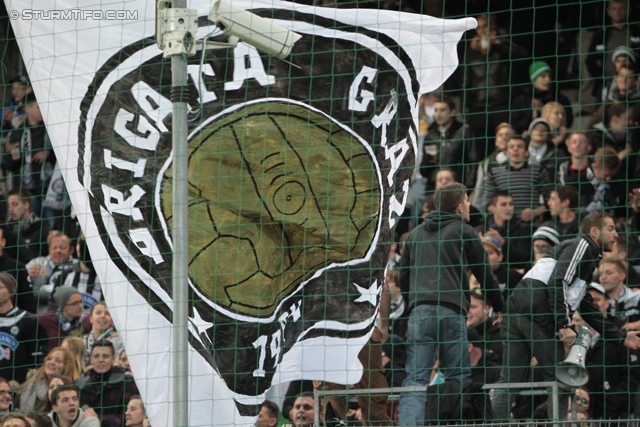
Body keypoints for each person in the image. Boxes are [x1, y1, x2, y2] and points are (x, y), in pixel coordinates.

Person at [491, 212, 640, 421]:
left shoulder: (584, 257)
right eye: (611, 228)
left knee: (509, 381)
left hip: (517, 312)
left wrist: (620, 336)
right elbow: (559, 281)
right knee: (564, 380)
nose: (616, 234)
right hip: (538, 316)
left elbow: (586, 306)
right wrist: (563, 324)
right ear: (594, 232)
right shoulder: (582, 245)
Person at [398, 183, 505, 426]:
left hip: (420, 312)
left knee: (415, 378)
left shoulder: (414, 234)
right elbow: (484, 273)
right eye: (467, 201)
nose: (469, 205)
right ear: (459, 207)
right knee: (457, 377)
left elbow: (404, 276)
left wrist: (414, 303)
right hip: (452, 310)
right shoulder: (464, 230)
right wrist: (498, 306)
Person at [4, 94, 56, 217]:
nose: (43, 110)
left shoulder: (51, 131)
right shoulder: (18, 132)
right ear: (28, 109)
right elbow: (9, 166)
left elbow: (64, 158)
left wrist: (49, 153)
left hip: (51, 189)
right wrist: (12, 154)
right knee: (30, 226)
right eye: (39, 107)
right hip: (28, 192)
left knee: (52, 224)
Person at [485, 136, 551, 222]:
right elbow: (488, 204)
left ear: (527, 152)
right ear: (506, 153)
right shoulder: (494, 173)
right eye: (511, 147)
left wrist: (535, 212)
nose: (515, 149)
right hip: (503, 227)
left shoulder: (538, 171)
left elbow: (549, 202)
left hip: (530, 225)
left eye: (519, 146)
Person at [76, 340, 139, 427]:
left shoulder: (127, 382)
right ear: (91, 359)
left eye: (105, 356)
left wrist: (99, 417)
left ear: (113, 359)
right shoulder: (80, 383)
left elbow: (132, 418)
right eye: (96, 356)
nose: (101, 360)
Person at [420, 97, 476, 190]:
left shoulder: (463, 131)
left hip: (457, 186)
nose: (438, 114)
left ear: (452, 111)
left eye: (442, 110)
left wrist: (469, 186)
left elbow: (473, 161)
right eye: (436, 110)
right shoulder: (430, 135)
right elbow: (424, 171)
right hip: (434, 187)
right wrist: (426, 163)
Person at [586, 0, 640, 98]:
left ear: (628, 10)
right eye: (614, 9)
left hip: (634, 84)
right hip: (606, 85)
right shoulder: (601, 35)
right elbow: (590, 60)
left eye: (621, 8)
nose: (618, 12)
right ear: (609, 11)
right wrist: (603, 78)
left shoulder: (636, 32)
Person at [0, 272, 44, 384]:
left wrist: (18, 380)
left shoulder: (28, 320)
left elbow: (34, 357)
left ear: (10, 291)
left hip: (16, 385)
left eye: (0, 287)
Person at [510, 60, 573, 134]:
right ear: (534, 79)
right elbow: (516, 125)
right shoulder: (522, 100)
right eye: (543, 76)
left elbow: (568, 121)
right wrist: (532, 115)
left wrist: (544, 109)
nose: (548, 79)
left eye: (549, 76)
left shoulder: (560, 99)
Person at [19, 347, 79, 415]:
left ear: (67, 366)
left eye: (58, 361)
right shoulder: (30, 383)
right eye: (49, 359)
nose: (51, 362)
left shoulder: (74, 390)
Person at [26, 232, 77, 313]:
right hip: (37, 310)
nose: (58, 251)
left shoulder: (77, 266)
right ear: (49, 249)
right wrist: (26, 275)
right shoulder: (36, 263)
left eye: (62, 248)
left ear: (71, 250)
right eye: (54, 247)